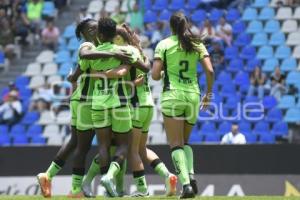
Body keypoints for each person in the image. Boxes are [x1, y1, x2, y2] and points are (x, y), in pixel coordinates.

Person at [36, 18, 132, 198]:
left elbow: (76, 74)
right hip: (85, 101)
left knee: (79, 143)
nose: (94, 30)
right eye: (90, 29)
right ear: (83, 34)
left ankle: (49, 176)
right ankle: (76, 189)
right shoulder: (87, 46)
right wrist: (117, 55)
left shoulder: (103, 47)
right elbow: (85, 56)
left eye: (97, 27)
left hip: (92, 100)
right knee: (83, 146)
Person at [83, 17, 149, 197]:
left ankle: (106, 187)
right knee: (123, 146)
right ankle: (110, 177)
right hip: (119, 103)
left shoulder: (93, 52)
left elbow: (85, 69)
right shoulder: (125, 51)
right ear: (114, 35)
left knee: (103, 146)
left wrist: (101, 73)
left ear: (99, 34)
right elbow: (144, 66)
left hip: (97, 104)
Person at [152, 12, 214, 198]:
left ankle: (186, 185)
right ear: (186, 25)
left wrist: (163, 73)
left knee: (175, 144)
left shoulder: (164, 44)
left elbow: (154, 75)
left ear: (170, 26)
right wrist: (208, 94)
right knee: (185, 142)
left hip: (173, 96)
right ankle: (191, 177)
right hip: (193, 96)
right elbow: (210, 71)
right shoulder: (196, 43)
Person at [113, 24, 178, 197]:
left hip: (135, 105)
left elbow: (121, 80)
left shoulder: (124, 54)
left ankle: (142, 190)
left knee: (132, 151)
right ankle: (168, 175)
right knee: (142, 149)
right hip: (149, 105)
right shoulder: (140, 52)